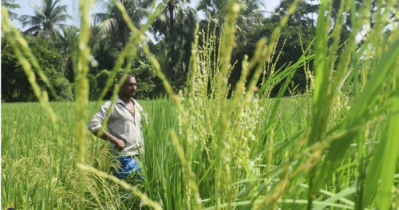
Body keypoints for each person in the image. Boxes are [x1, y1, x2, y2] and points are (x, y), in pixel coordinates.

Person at [88, 74, 147, 180]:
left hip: (140, 155)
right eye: (130, 85)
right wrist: (115, 140)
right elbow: (93, 125)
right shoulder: (111, 106)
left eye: (135, 85)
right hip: (122, 156)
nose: (134, 87)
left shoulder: (138, 106)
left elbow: (147, 126)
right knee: (123, 190)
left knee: (139, 189)